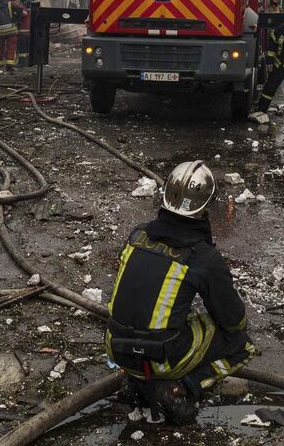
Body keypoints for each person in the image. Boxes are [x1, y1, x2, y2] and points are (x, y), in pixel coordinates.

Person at [105, 161, 255, 424]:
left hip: (116, 348)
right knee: (242, 345)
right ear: (207, 205)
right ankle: (180, 387)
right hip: (161, 358)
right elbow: (233, 320)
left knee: (171, 318)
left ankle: (137, 381)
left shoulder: (137, 236)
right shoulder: (202, 257)